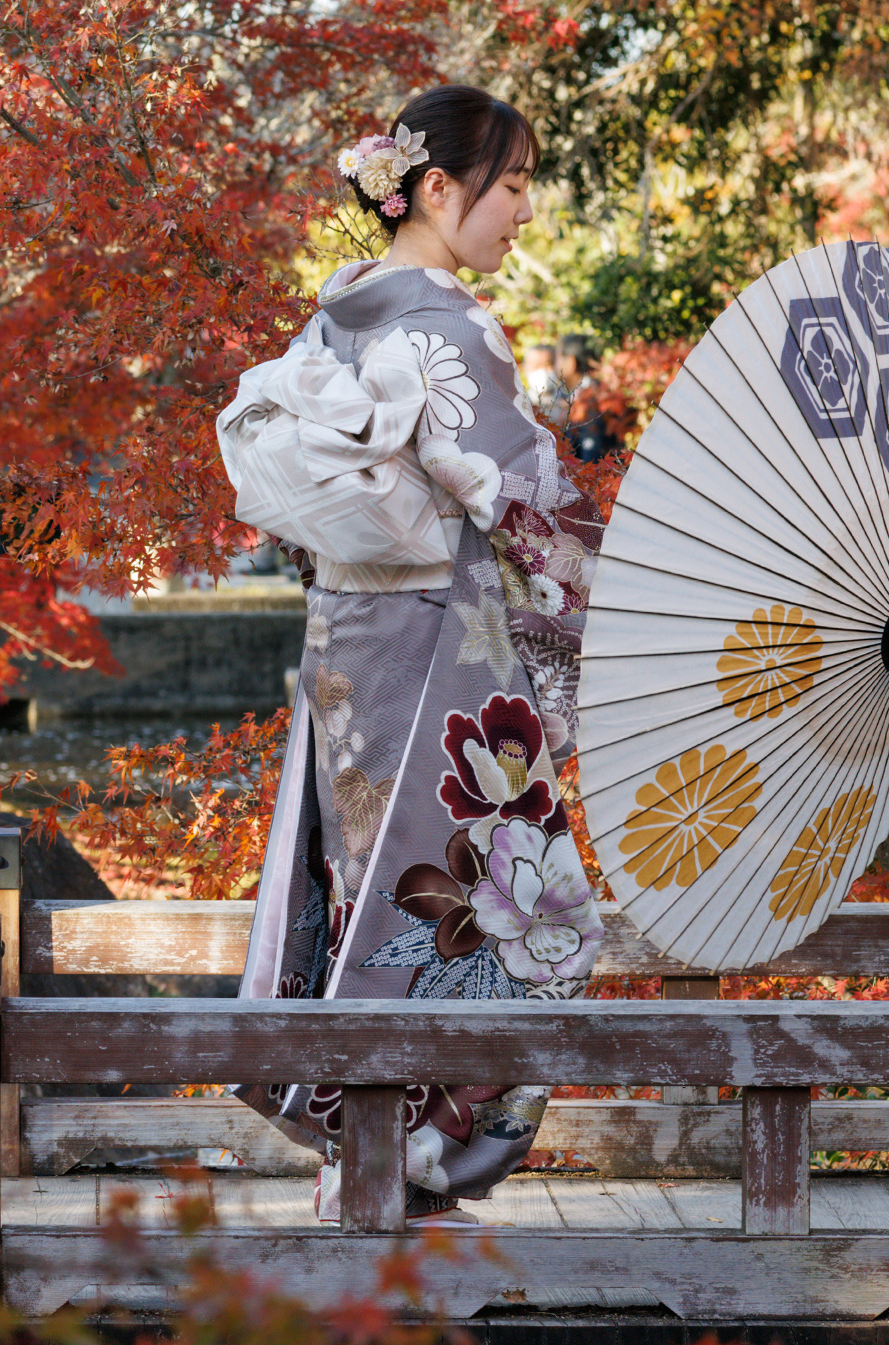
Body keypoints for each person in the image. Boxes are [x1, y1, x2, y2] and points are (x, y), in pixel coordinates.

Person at [230, 86, 605, 1227]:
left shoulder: (336, 316)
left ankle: (362, 1165)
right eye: (514, 184)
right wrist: (630, 600)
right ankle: (406, 1166)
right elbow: (525, 501)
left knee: (373, 891)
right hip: (441, 649)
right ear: (438, 189)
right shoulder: (446, 325)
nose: (526, 211)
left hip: (349, 648)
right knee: (488, 906)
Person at [557, 334, 617, 462]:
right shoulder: (597, 394)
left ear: (571, 362)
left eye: (558, 358)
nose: (555, 364)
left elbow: (591, 458)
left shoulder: (590, 402)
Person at [521, 343, 570, 426]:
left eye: (548, 365)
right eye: (536, 366)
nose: (542, 370)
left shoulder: (569, 403)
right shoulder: (519, 406)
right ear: (525, 367)